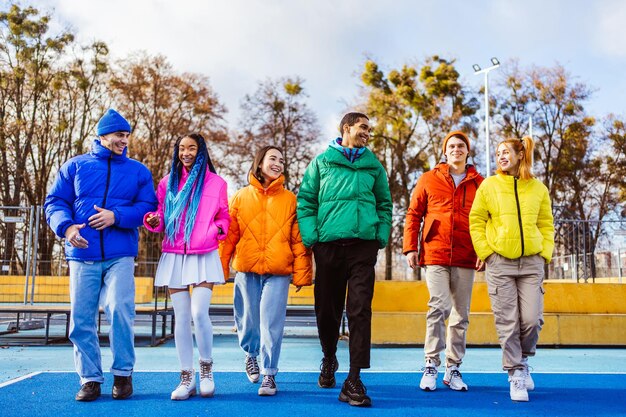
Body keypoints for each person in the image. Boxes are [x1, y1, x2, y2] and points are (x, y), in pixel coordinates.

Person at [44, 109, 157, 402]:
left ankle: (122, 374)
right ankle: (90, 379)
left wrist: (115, 216)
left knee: (120, 310)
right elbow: (54, 202)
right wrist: (67, 229)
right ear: (103, 135)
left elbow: (148, 208)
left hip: (120, 255)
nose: (125, 140)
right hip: (82, 255)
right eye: (120, 135)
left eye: (127, 135)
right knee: (81, 320)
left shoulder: (138, 171)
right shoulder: (75, 166)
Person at [297, 112, 392, 407]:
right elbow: (306, 201)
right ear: (346, 128)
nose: (367, 132)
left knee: (361, 309)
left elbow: (385, 203)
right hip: (329, 246)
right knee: (328, 310)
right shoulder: (321, 162)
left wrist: (381, 235)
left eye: (369, 128)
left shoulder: (374, 166)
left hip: (363, 248)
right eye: (363, 127)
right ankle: (329, 356)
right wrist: (313, 237)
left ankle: (354, 379)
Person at [219, 145, 312, 397]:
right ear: (259, 163)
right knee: (247, 318)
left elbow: (298, 239)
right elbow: (229, 237)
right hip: (247, 268)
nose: (278, 163)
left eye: (281, 160)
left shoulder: (291, 199)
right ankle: (251, 355)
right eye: (273, 158)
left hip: (278, 270)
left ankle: (269, 374)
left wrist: (302, 272)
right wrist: (220, 266)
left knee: (271, 322)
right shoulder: (239, 197)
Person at [143, 133, 229, 400]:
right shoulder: (167, 183)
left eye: (192, 147)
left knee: (199, 312)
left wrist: (215, 230)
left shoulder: (217, 183)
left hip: (204, 253)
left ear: (201, 151)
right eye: (182, 148)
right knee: (181, 316)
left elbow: (224, 216)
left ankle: (206, 368)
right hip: (174, 253)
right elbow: (160, 211)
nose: (186, 152)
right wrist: (154, 220)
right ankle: (186, 376)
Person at [469, 136, 554, 402]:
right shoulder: (489, 186)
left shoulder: (538, 188)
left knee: (531, 319)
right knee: (508, 321)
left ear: (520, 155)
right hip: (500, 262)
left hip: (531, 262)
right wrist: (486, 253)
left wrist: (545, 254)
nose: (501, 156)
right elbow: (476, 221)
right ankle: (515, 372)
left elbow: (546, 224)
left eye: (506, 152)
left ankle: (524, 359)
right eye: (498, 152)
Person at [403, 131, 484, 392]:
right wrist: (409, 248)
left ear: (467, 152)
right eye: (452, 146)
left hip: (466, 253)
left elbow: (488, 219)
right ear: (444, 151)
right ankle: (431, 364)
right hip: (435, 252)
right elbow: (414, 214)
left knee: (461, 314)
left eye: (461, 146)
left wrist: (484, 250)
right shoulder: (429, 179)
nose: (456, 149)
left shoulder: (480, 183)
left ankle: (454, 367)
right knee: (438, 306)